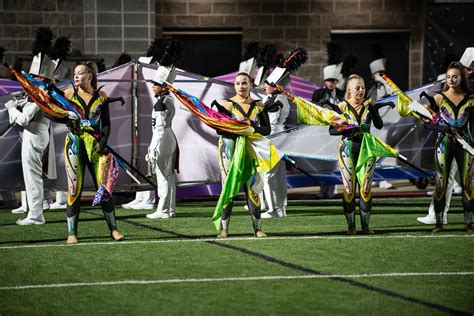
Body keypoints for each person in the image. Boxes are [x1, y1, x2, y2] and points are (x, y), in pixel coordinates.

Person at [63, 62, 124, 243]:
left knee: (104, 188)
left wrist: (103, 142)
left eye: (80, 73)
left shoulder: (101, 96)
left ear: (89, 76)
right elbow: (53, 113)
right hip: (74, 144)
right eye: (74, 73)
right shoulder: (68, 94)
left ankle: (113, 229)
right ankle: (72, 233)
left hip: (96, 146)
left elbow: (106, 123)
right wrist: (66, 119)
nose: (76, 76)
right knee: (74, 189)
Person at [417, 48, 473, 225]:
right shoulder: (448, 92)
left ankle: (439, 215)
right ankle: (437, 215)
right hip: (450, 142)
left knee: (457, 181)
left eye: (465, 69)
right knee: (447, 179)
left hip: (466, 142)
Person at [213, 72, 270, 238]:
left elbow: (267, 129)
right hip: (229, 148)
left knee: (252, 188)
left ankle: (258, 228)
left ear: (250, 85)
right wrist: (236, 128)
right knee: (228, 186)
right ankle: (224, 229)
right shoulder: (226, 105)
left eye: (244, 83)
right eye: (238, 83)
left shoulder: (259, 105)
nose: (241, 87)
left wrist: (251, 129)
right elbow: (218, 128)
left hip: (250, 148)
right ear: (234, 86)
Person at [330, 75, 383, 235]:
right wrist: (348, 128)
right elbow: (332, 130)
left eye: (363, 88)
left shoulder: (369, 105)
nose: (361, 91)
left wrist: (373, 107)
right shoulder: (341, 107)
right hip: (347, 148)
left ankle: (365, 226)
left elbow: (379, 125)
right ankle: (351, 226)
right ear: (349, 90)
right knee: (349, 189)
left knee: (366, 189)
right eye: (357, 88)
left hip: (366, 149)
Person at [5, 56, 52, 225]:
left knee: (33, 177)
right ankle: (34, 212)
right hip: (34, 134)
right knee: (31, 177)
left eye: (35, 75)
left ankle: (36, 215)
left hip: (35, 135)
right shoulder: (36, 92)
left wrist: (11, 109)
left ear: (41, 78)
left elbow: (24, 119)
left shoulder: (41, 93)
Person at [144, 66, 177, 219]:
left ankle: (162, 210)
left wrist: (152, 147)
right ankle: (170, 209)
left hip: (163, 139)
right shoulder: (169, 99)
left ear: (163, 87)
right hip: (170, 137)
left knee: (162, 175)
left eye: (156, 84)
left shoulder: (160, 103)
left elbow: (159, 129)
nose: (153, 86)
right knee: (169, 175)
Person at [312, 64, 344, 198]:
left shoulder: (341, 94)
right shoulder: (318, 93)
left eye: (333, 81)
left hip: (336, 131)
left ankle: (331, 191)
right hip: (322, 131)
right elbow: (313, 109)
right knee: (323, 162)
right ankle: (321, 190)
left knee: (334, 161)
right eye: (329, 81)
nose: (331, 83)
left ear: (336, 82)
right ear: (325, 81)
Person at [260, 82, 290, 218]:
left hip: (273, 138)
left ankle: (273, 209)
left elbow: (272, 123)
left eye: (267, 84)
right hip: (280, 137)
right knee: (279, 175)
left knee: (268, 175)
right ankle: (281, 208)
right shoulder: (276, 97)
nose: (264, 87)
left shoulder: (277, 99)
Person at [367, 55, 395, 190]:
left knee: (385, 151)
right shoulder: (371, 90)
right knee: (373, 151)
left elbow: (394, 95)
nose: (379, 76)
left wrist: (384, 81)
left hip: (389, 122)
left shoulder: (389, 86)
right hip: (376, 123)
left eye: (381, 74)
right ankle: (375, 177)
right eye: (376, 74)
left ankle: (384, 178)